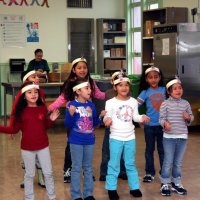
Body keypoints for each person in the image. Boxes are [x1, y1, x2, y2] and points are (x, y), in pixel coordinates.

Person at [48, 57, 105, 183]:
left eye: (84, 67)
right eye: (79, 68)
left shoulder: (90, 82)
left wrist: (114, 93)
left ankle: (86, 171)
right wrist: (49, 108)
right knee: (71, 145)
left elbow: (99, 94)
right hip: (74, 119)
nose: (82, 70)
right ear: (74, 70)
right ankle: (68, 170)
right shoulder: (70, 83)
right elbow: (61, 99)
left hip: (87, 119)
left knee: (87, 146)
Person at [0, 81, 59, 200]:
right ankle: (29, 198)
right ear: (23, 95)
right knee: (29, 174)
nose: (33, 94)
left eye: (35, 92)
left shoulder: (42, 108)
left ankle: (52, 197)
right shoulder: (21, 112)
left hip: (43, 146)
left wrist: (51, 119)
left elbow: (45, 126)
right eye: (29, 92)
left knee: (48, 173)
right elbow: (13, 129)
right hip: (27, 149)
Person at [103, 71, 150, 200]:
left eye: (126, 85)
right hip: (116, 138)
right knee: (114, 164)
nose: (124, 87)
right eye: (120, 85)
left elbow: (135, 116)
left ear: (129, 86)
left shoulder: (133, 102)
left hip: (130, 138)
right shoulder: (110, 102)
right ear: (115, 87)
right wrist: (106, 120)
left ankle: (134, 187)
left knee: (130, 163)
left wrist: (142, 117)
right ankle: (111, 189)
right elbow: (107, 116)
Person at [64, 78, 105, 200]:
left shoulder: (91, 105)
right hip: (75, 141)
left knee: (88, 167)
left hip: (89, 141)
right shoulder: (72, 105)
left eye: (90, 88)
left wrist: (101, 117)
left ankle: (88, 194)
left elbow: (94, 124)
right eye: (86, 88)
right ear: (78, 91)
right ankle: (76, 195)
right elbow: (68, 125)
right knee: (76, 167)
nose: (90, 90)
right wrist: (70, 114)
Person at [9, 70, 46, 188]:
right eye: (33, 76)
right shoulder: (20, 94)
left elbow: (43, 109)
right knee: (26, 155)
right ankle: (27, 178)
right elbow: (14, 111)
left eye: (37, 76)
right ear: (26, 81)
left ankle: (41, 177)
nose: (37, 78)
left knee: (40, 154)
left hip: (39, 130)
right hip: (26, 131)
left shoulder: (41, 93)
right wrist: (11, 126)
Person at [159, 77, 194, 196]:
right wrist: (165, 124)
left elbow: (191, 117)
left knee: (178, 162)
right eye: (175, 89)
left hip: (182, 137)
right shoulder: (165, 104)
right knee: (168, 161)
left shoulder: (186, 103)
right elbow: (161, 118)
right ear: (169, 92)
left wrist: (188, 118)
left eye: (180, 88)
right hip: (169, 138)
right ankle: (165, 183)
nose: (178, 90)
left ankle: (176, 183)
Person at [137, 66, 165, 183]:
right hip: (149, 126)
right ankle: (149, 172)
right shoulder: (145, 92)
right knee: (149, 149)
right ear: (146, 79)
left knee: (163, 150)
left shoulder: (165, 90)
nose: (153, 80)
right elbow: (134, 106)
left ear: (160, 78)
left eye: (156, 77)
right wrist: (139, 118)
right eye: (150, 77)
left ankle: (165, 171)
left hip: (163, 126)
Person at [99, 71, 127, 182]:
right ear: (112, 82)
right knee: (107, 150)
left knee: (122, 150)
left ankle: (122, 171)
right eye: (117, 80)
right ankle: (104, 172)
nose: (122, 85)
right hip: (110, 128)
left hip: (123, 128)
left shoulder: (127, 95)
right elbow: (106, 110)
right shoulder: (109, 93)